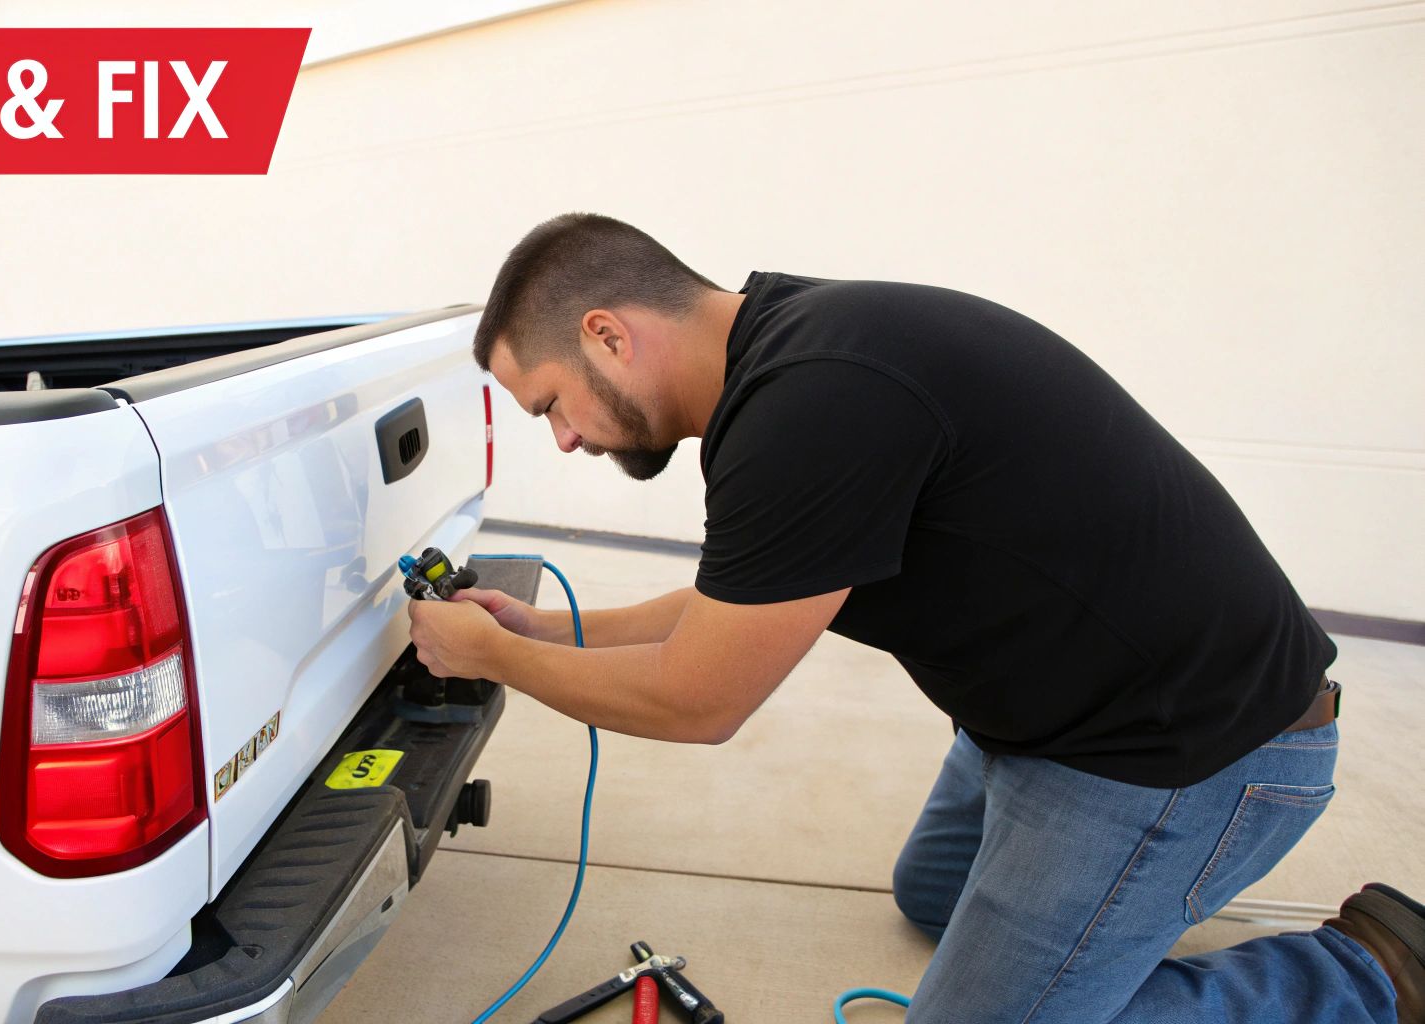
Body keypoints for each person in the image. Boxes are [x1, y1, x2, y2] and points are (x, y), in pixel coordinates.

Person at [406, 213, 1423, 1023]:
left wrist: (487, 655)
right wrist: (545, 635)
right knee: (929, 895)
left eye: (547, 405)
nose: (566, 441)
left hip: (1191, 754)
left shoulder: (811, 406)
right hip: (1048, 727)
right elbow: (729, 607)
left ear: (606, 334)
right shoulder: (790, 353)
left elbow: (698, 699)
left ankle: (1358, 974)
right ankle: (1104, 928)